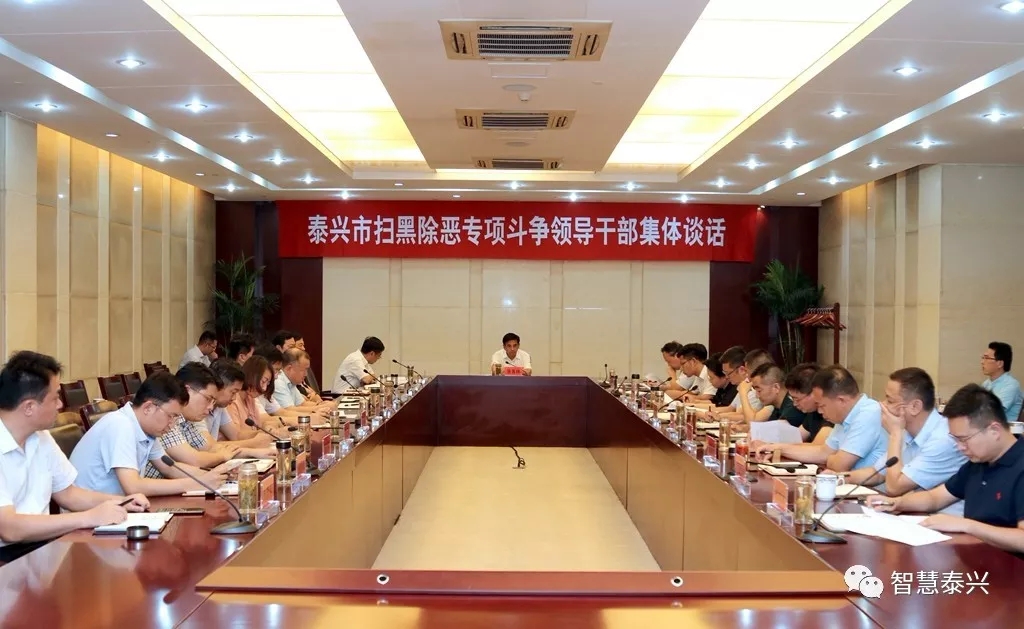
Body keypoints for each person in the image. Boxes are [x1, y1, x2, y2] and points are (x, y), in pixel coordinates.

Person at [0, 351, 149, 562]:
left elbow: (68, 494)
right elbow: (9, 528)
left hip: (40, 549)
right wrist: (88, 517)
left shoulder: (41, 437)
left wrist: (121, 501)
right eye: (55, 398)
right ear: (29, 407)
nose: (60, 405)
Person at [868, 384, 1024, 553]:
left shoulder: (1019, 466)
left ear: (994, 430)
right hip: (975, 557)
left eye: (964, 439)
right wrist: (897, 503)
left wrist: (967, 526)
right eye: (955, 439)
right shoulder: (978, 463)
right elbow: (935, 498)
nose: (960, 447)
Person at [70, 371, 228, 496]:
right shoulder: (120, 425)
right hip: (89, 517)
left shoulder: (145, 429)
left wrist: (215, 476)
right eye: (171, 416)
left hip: (115, 509)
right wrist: (197, 483)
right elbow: (133, 486)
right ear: (148, 408)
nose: (173, 424)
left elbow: (169, 468)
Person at [842, 368, 966, 512]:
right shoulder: (907, 431)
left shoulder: (943, 440)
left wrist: (895, 434)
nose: (882, 405)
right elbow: (877, 473)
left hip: (943, 521)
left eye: (890, 400)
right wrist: (839, 478)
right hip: (915, 513)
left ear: (914, 407)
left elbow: (894, 487)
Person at [752, 365, 886, 472]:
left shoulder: (867, 414)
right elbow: (823, 452)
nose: (820, 411)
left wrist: (830, 458)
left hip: (871, 493)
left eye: (822, 405)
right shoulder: (844, 416)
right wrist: (778, 448)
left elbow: (839, 465)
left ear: (841, 400)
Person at [783, 363, 833, 443]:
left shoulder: (831, 414)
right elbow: (796, 438)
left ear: (814, 393)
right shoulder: (812, 412)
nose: (795, 404)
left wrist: (779, 447)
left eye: (797, 399)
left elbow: (818, 447)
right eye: (792, 399)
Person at [981, 342, 1023, 421]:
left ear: (1000, 364)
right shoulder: (986, 384)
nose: (982, 362)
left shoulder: (1011, 385)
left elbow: (994, 413)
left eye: (987, 358)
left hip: (1005, 427)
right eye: (983, 358)